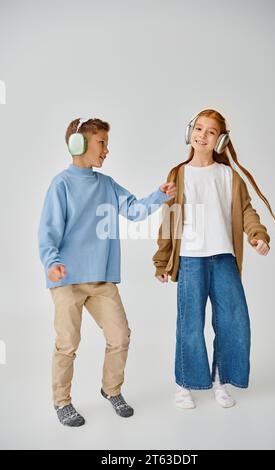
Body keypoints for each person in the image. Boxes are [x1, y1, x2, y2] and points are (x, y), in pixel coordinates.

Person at [38, 117, 176, 426]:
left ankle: (111, 389)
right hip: (67, 280)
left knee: (120, 335)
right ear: (80, 144)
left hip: (100, 280)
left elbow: (134, 210)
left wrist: (158, 195)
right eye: (102, 143)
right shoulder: (61, 184)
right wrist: (52, 263)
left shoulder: (107, 185)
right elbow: (47, 232)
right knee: (67, 343)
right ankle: (62, 401)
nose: (107, 150)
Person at [153, 109, 275, 409]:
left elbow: (247, 211)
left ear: (220, 140)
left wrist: (258, 234)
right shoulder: (178, 174)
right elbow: (169, 220)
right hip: (190, 259)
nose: (202, 135)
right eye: (198, 128)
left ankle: (220, 381)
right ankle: (184, 384)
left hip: (223, 258)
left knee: (233, 320)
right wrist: (162, 261)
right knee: (190, 324)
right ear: (190, 132)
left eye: (210, 131)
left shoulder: (229, 177)